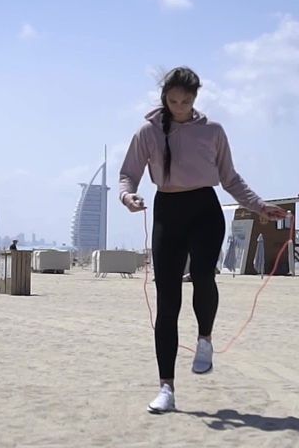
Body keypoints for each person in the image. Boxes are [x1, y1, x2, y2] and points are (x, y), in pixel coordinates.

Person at [118, 66, 287, 414]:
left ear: (196, 98)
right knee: (167, 302)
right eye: (173, 100)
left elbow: (230, 178)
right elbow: (128, 175)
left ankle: (205, 340)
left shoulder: (212, 131)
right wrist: (128, 197)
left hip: (205, 210)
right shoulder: (148, 131)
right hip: (168, 210)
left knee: (204, 275)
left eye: (186, 100)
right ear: (164, 97)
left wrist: (259, 206)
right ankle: (166, 388)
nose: (179, 106)